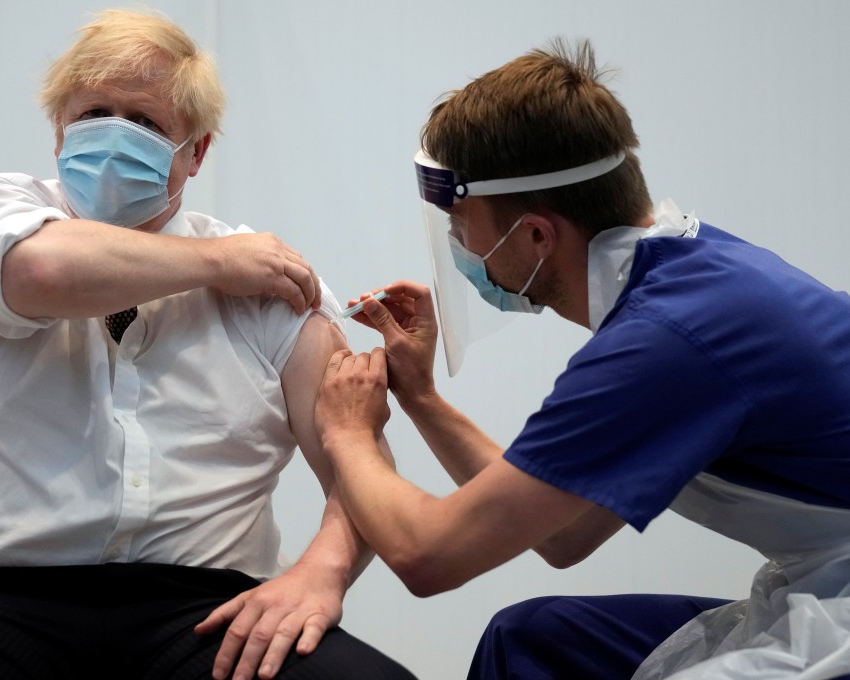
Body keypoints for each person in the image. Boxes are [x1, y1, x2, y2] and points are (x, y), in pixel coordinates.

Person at [0, 8, 415, 680]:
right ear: (58, 132)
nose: (113, 136)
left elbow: (359, 463)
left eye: (143, 122)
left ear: (196, 152)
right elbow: (41, 272)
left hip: (205, 608)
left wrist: (322, 572)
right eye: (93, 113)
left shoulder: (270, 285)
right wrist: (216, 263)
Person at [313, 38, 850, 679]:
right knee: (534, 639)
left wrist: (347, 432)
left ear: (538, 234)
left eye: (461, 224)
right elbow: (562, 533)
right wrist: (421, 398)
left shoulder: (666, 341)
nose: (457, 245)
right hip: (824, 579)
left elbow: (429, 556)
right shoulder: (687, 273)